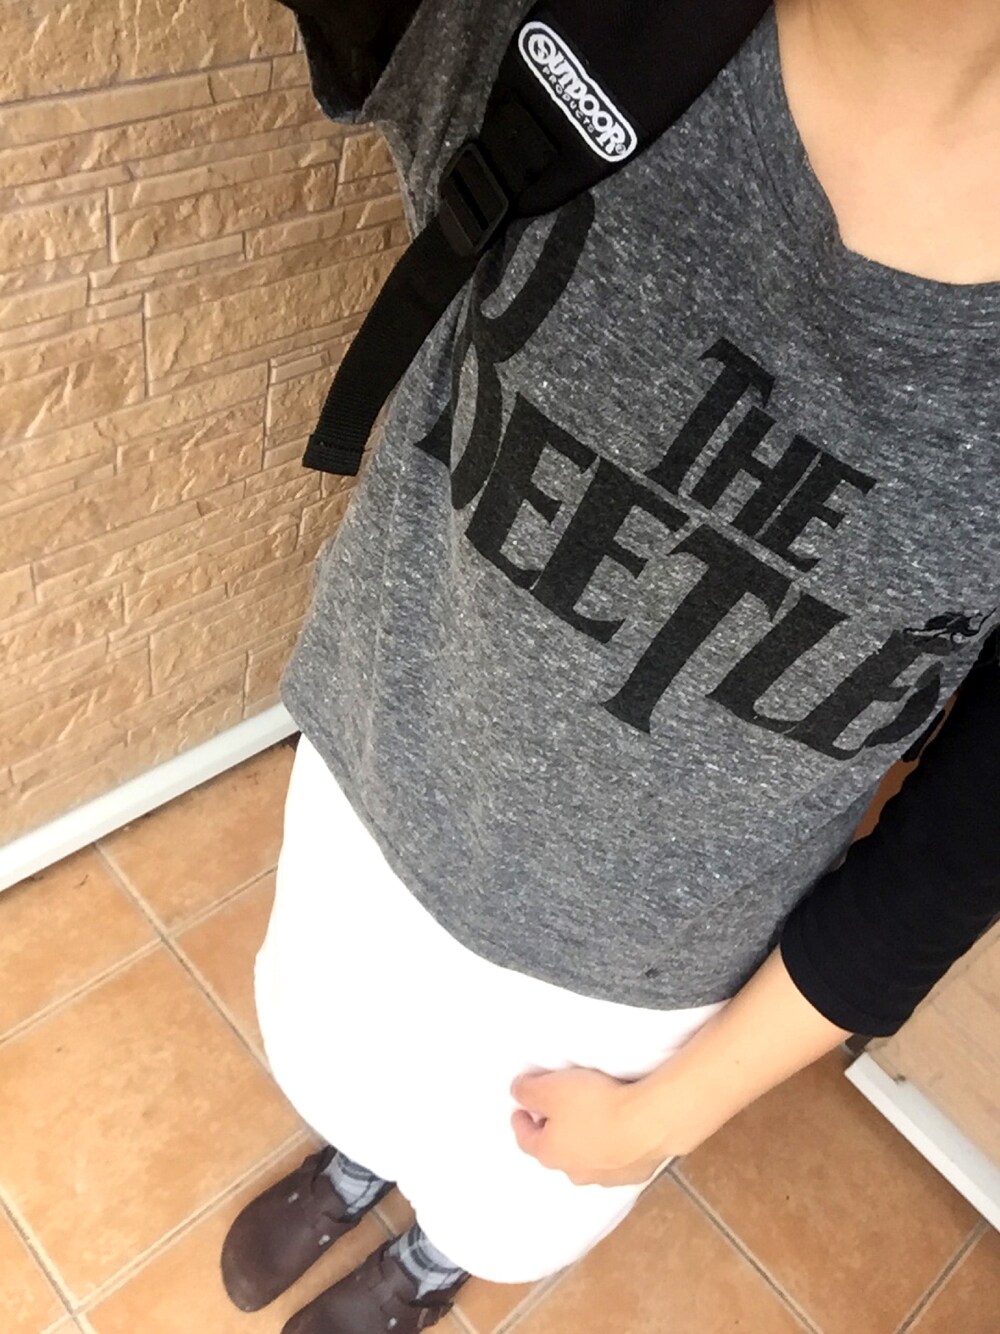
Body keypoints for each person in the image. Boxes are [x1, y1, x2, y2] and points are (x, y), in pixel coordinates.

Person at [220, 2, 1000, 1330]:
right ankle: (361, 1155)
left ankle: (434, 1255)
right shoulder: (576, 25)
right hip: (377, 799)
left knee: (505, 1191)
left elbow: (966, 842)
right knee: (347, 1063)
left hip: (631, 991)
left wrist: (671, 1114)